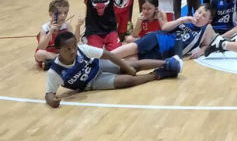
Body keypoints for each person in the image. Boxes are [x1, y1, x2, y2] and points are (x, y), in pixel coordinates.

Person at [44, 32, 181, 108]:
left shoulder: (82, 50)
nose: (73, 51)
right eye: (67, 49)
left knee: (133, 66)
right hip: (91, 82)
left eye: (74, 46)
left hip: (99, 65)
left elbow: (108, 54)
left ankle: (168, 62)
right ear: (58, 51)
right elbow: (49, 93)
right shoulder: (55, 72)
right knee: (126, 81)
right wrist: (52, 102)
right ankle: (157, 75)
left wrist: (127, 67)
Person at [113, 5, 215, 60]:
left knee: (134, 59)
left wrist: (201, 51)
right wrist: (181, 20)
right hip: (158, 38)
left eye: (204, 16)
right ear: (195, 11)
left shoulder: (206, 28)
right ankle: (104, 57)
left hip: (166, 52)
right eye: (199, 12)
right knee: (134, 48)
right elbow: (165, 28)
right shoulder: (186, 20)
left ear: (208, 20)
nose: (199, 16)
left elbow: (207, 46)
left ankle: (106, 66)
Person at [35, 0, 83, 70]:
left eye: (65, 13)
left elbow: (75, 42)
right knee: (39, 54)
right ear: (51, 14)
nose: (63, 15)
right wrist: (50, 32)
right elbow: (41, 48)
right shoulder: (45, 28)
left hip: (64, 51)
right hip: (51, 54)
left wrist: (78, 27)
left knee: (81, 44)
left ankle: (56, 62)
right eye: (59, 13)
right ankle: (63, 60)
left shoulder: (66, 25)